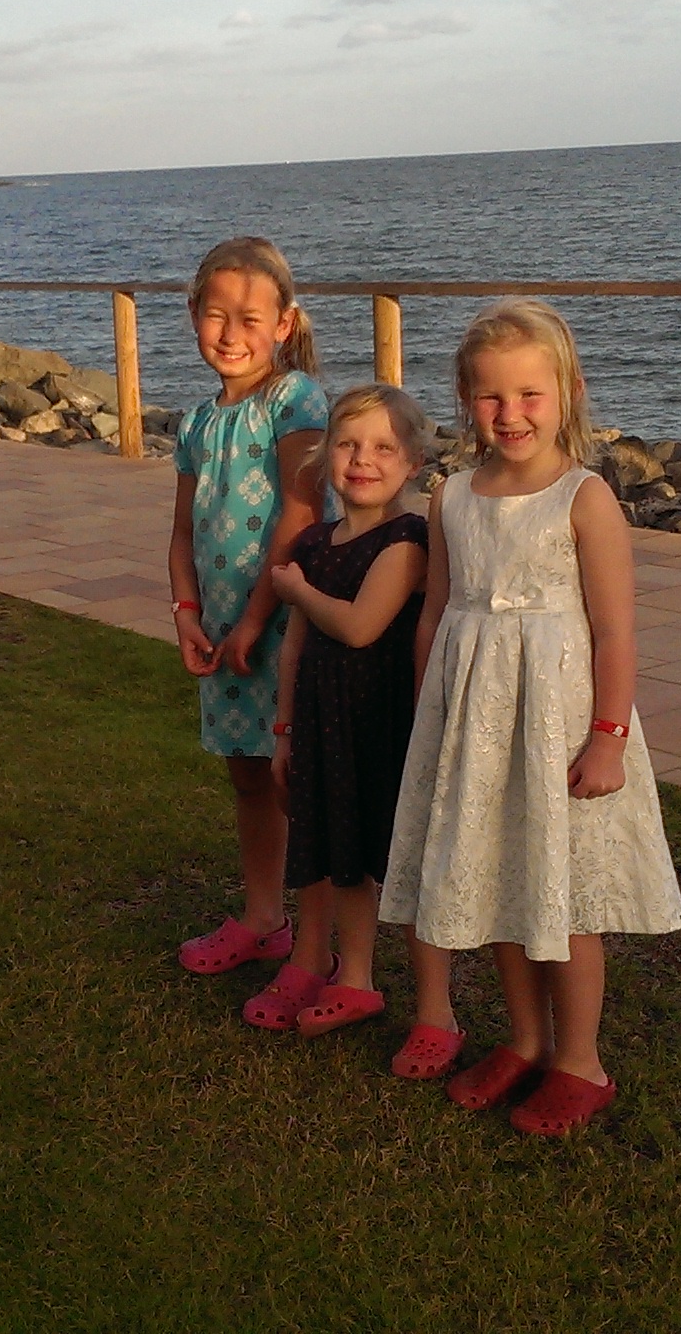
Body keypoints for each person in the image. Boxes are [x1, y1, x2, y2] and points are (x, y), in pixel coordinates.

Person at [379, 298, 681, 1137]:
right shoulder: (451, 498)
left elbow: (615, 631)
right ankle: (524, 1040)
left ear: (568, 392)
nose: (510, 413)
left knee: (564, 896)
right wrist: (430, 719)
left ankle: (580, 1061)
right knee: (503, 885)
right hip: (476, 729)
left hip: (561, 728)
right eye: (490, 396)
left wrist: (608, 739)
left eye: (529, 394)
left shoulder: (584, 498)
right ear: (465, 399)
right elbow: (436, 614)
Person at [246, 384, 434, 1035]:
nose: (363, 460)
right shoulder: (314, 543)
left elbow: (359, 627)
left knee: (397, 861)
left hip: (382, 726)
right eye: (349, 444)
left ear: (412, 463)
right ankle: (354, 977)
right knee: (341, 852)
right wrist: (284, 732)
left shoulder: (407, 540)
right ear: (326, 453)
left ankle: (436, 1008)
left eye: (384, 447)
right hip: (323, 722)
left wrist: (296, 590)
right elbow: (294, 650)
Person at [169, 237, 328, 977]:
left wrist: (257, 620)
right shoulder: (196, 424)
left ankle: (321, 941)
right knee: (246, 774)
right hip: (221, 631)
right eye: (216, 315)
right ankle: (265, 918)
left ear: (284, 324)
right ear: (193, 315)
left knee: (293, 779)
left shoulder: (293, 401)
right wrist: (186, 612)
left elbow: (302, 512)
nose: (231, 334)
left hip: (282, 627)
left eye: (250, 318)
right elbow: (182, 531)